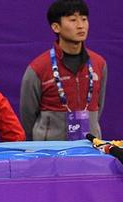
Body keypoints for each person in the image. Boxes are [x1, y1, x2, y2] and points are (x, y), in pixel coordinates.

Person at [20, 0, 107, 141]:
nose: (81, 25)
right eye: (73, 20)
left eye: (84, 19)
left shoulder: (99, 63)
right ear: (56, 27)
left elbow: (99, 106)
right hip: (50, 150)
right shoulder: (38, 67)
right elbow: (27, 115)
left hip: (89, 148)